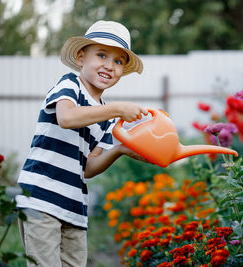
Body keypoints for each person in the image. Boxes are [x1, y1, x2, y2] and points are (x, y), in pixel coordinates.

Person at [15, 20, 148, 267]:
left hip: (74, 206)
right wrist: (117, 108)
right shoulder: (70, 85)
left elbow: (87, 168)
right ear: (80, 57)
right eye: (101, 55)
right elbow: (66, 118)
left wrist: (120, 150)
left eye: (118, 61)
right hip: (41, 197)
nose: (109, 65)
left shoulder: (108, 119)